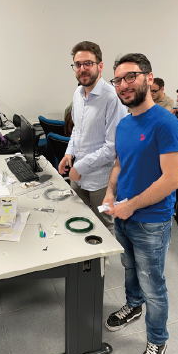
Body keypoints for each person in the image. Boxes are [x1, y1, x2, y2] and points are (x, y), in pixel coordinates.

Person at [103, 53, 178, 354]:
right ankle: (133, 306)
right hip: (123, 215)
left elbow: (172, 179)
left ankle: (157, 340)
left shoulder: (166, 123)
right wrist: (111, 193)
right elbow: (120, 164)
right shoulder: (124, 124)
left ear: (149, 78)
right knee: (129, 269)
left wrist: (132, 204)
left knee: (153, 284)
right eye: (118, 80)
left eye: (131, 76)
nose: (123, 85)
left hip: (151, 221)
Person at [58, 41, 127, 233]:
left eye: (88, 63)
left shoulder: (112, 98)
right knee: (76, 218)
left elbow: (112, 148)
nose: (82, 69)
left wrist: (79, 166)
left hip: (101, 181)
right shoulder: (78, 93)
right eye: (78, 64)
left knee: (105, 225)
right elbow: (76, 130)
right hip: (79, 176)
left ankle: (105, 255)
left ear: (100, 66)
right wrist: (69, 153)